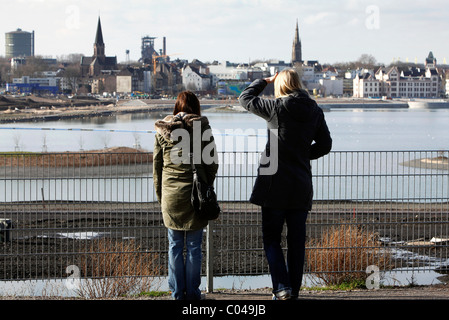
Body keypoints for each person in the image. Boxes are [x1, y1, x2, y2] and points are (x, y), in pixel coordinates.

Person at [239, 69, 332, 300]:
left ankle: (282, 287)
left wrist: (263, 81)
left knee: (271, 237)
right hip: (300, 184)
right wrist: (302, 154)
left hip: (274, 184)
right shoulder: (315, 111)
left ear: (281, 85)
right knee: (297, 241)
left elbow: (245, 98)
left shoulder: (276, 108)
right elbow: (325, 144)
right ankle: (294, 291)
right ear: (299, 84)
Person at [153, 91, 219, 300]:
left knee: (174, 246)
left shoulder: (163, 131)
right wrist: (206, 185)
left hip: (171, 196)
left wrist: (161, 197)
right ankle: (193, 293)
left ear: (176, 106)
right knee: (193, 247)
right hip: (195, 195)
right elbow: (212, 163)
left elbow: (157, 167)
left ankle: (177, 294)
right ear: (196, 107)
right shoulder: (202, 129)